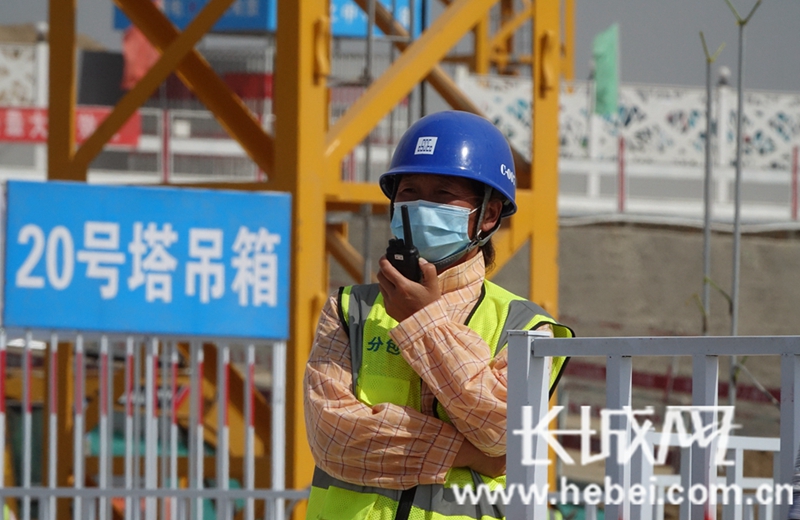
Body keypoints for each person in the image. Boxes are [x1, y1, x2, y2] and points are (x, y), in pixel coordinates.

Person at [304, 110, 574, 520]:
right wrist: (467, 453)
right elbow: (333, 438)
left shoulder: (527, 327)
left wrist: (423, 322)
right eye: (409, 191)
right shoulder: (348, 310)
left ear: (488, 215)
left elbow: (499, 429)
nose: (419, 207)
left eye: (443, 195)